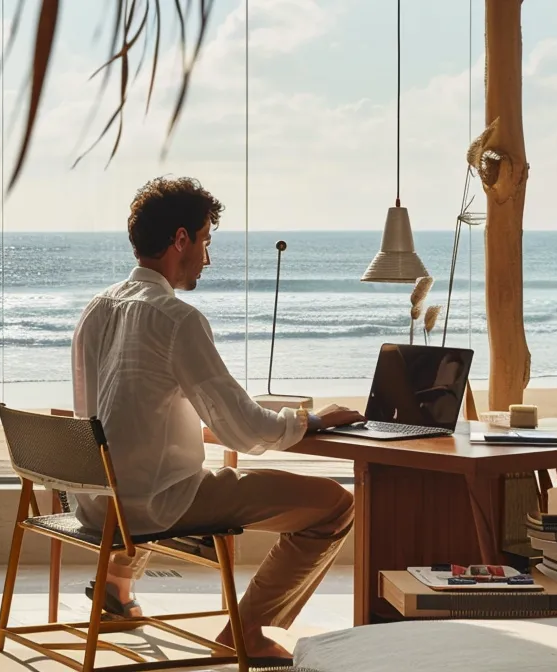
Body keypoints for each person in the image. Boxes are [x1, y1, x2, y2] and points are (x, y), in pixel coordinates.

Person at [70, 176, 364, 663]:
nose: (207, 258)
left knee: (157, 468)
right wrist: (310, 419)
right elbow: (245, 430)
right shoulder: (176, 318)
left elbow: (121, 413)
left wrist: (205, 423)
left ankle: (116, 590)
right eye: (205, 241)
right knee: (335, 506)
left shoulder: (96, 308)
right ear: (180, 239)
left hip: (97, 503)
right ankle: (247, 632)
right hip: (152, 506)